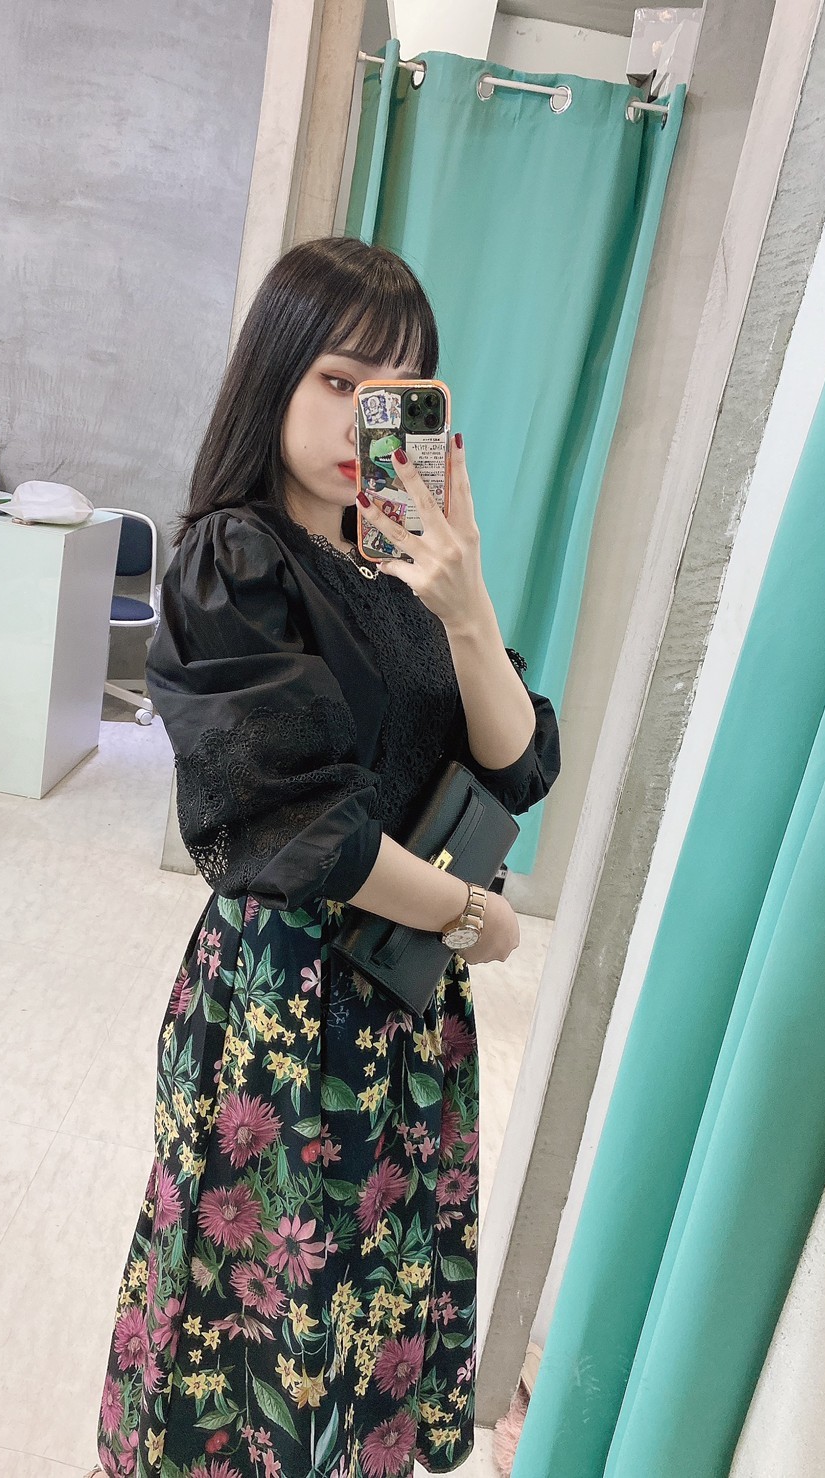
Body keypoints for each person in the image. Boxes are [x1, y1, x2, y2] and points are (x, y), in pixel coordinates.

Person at [92, 236, 560, 1478]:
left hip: (407, 1002)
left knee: (367, 1294)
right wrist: (473, 916)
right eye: (338, 381)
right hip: (287, 1004)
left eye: (396, 392)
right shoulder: (233, 559)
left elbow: (518, 762)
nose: (363, 418)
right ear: (278, 375)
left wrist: (467, 602)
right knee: (256, 1314)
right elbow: (307, 825)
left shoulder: (403, 564)